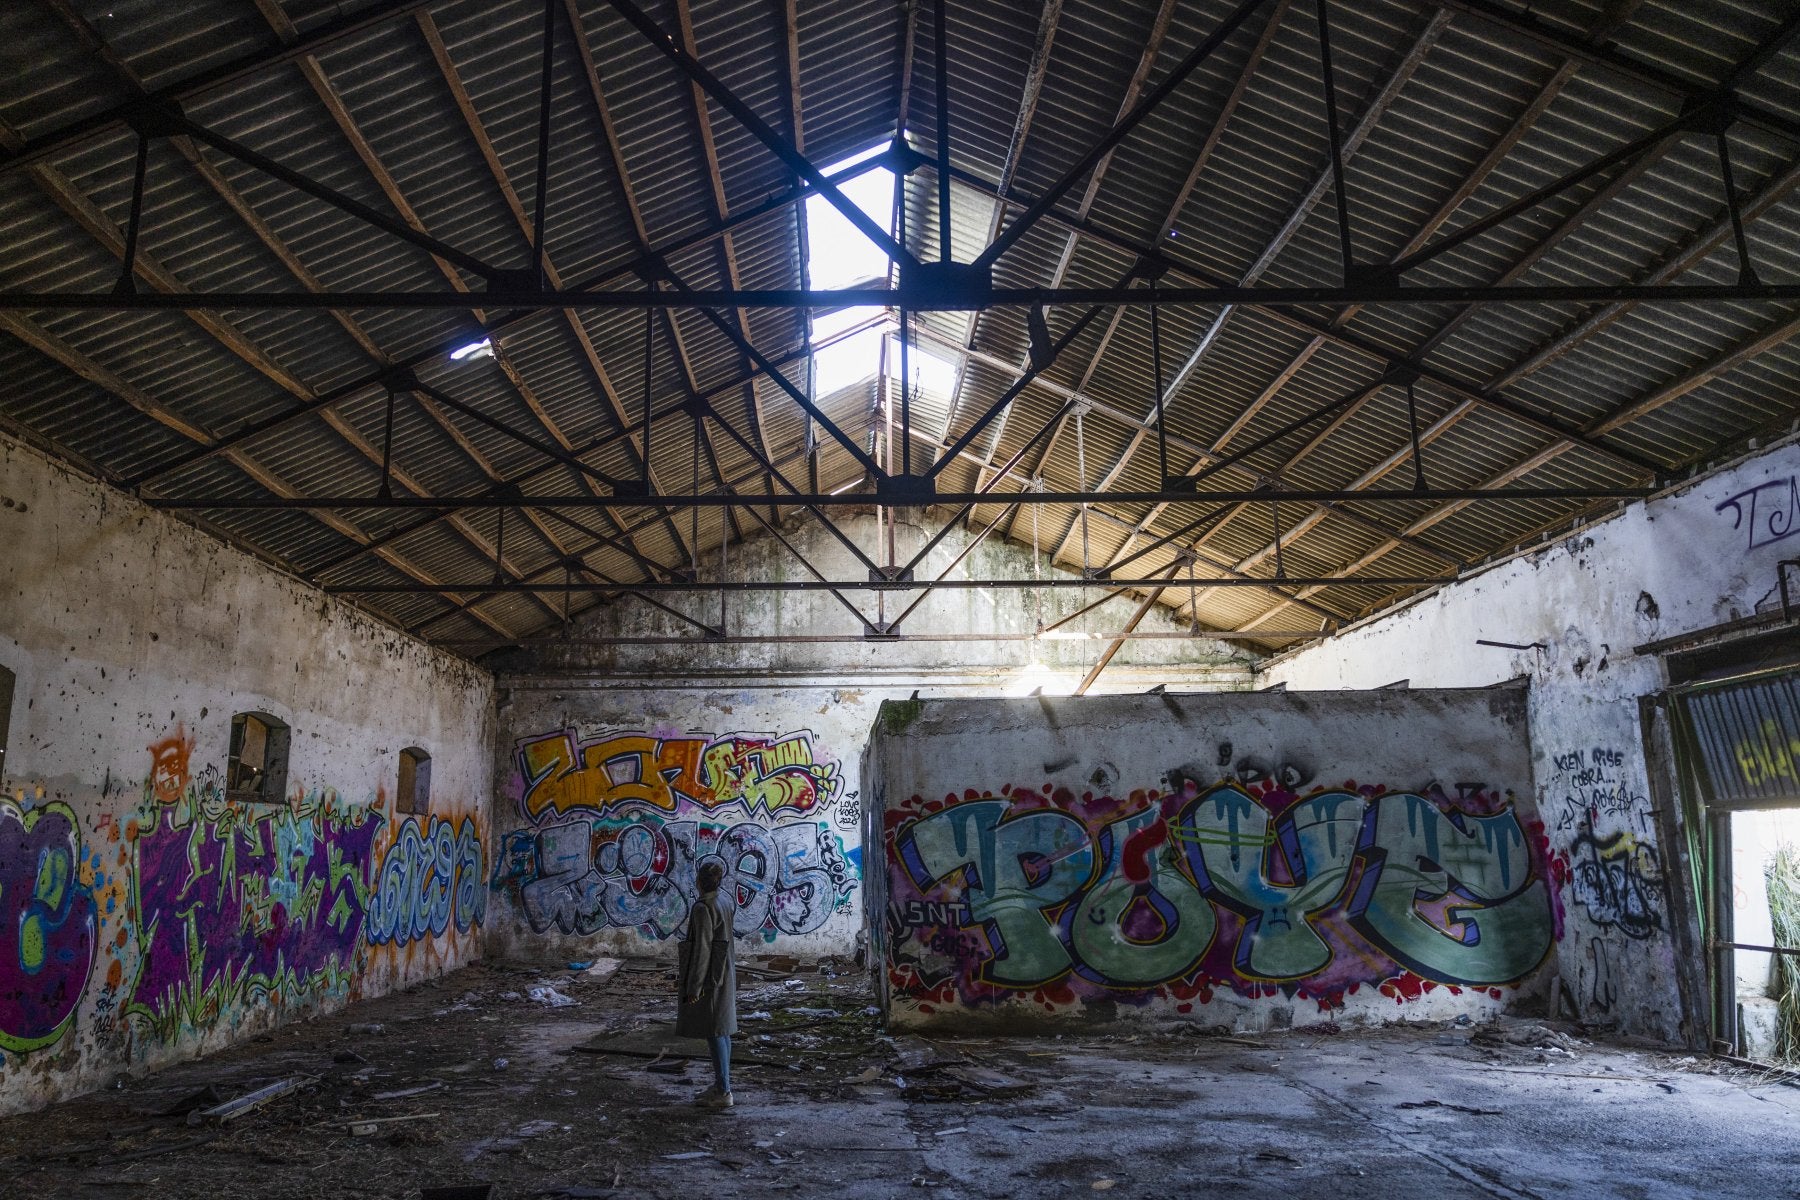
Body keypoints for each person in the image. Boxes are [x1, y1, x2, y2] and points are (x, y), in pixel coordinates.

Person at [676, 861, 737, 1109]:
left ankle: (724, 1091)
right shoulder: (724, 902)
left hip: (712, 977)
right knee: (722, 1029)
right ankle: (721, 1085)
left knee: (714, 1031)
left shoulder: (703, 908)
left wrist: (694, 987)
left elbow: (702, 949)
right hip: (725, 972)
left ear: (699, 881)